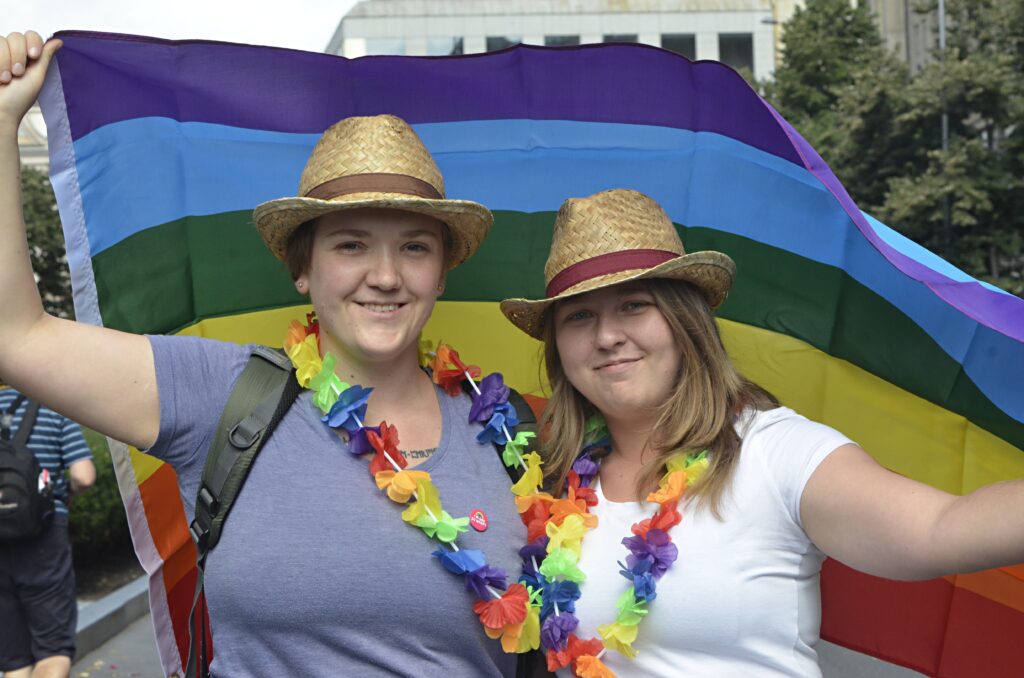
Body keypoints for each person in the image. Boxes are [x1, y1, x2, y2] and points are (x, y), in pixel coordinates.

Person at [0, 32, 531, 676]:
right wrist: (2, 120)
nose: (386, 275)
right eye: (352, 245)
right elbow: (16, 339)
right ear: (302, 270)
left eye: (415, 247)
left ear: (443, 275)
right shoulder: (224, 394)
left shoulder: (510, 432)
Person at [499, 188, 1024, 677]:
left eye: (635, 305)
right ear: (559, 349)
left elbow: (941, 528)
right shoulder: (552, 483)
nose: (608, 336)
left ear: (686, 323)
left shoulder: (775, 452)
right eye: (580, 316)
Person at [0, 381, 95, 678]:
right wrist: (62, 493)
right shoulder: (51, 406)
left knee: (13, 661)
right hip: (43, 534)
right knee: (52, 651)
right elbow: (84, 476)